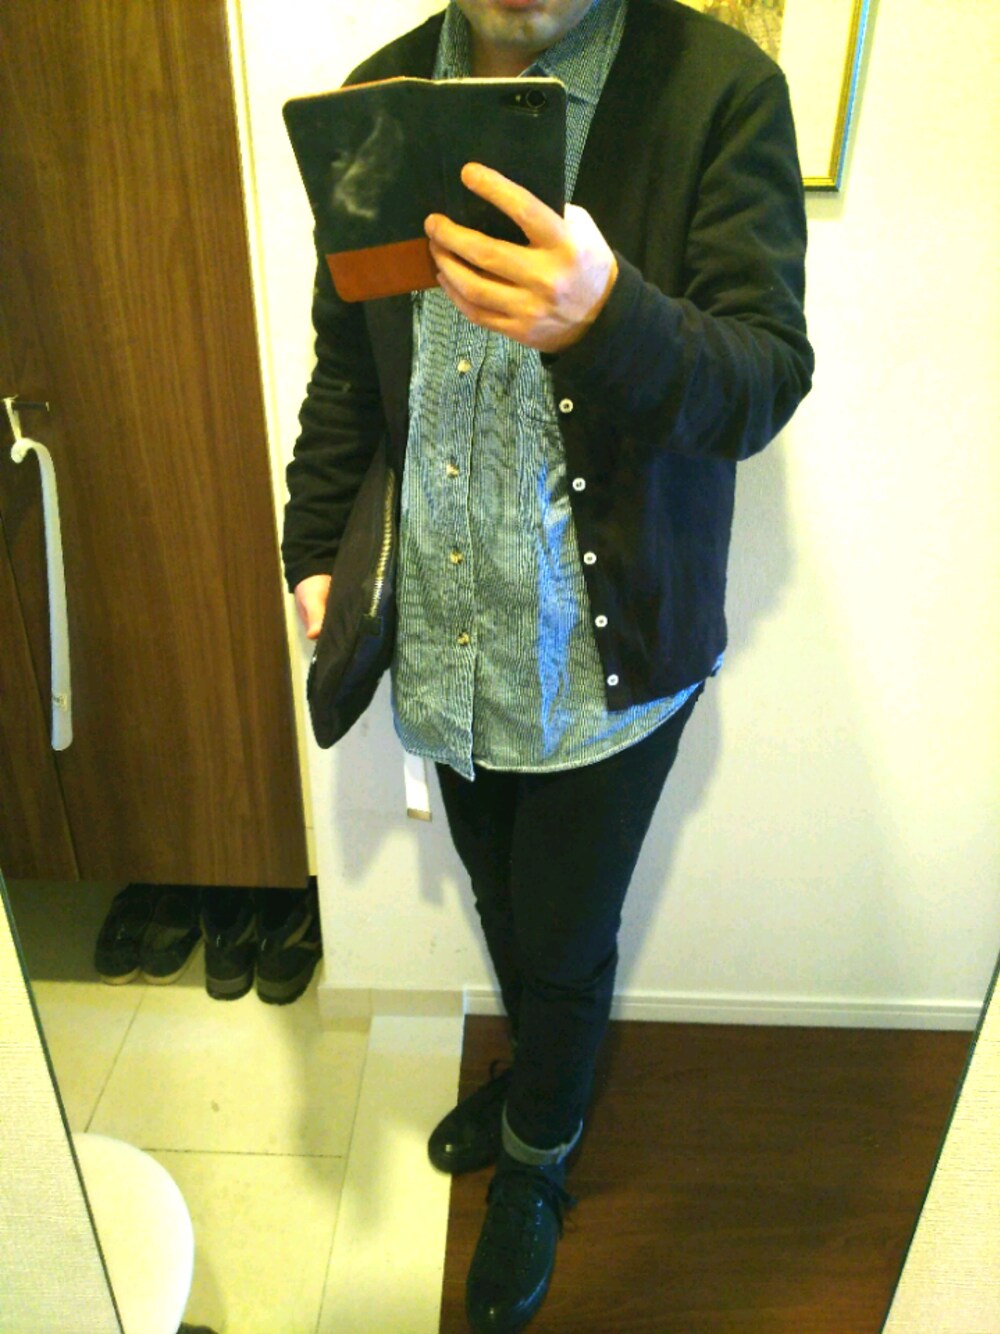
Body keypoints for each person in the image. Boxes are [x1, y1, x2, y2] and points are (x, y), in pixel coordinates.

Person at [281, 0, 814, 1328]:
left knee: (566, 939)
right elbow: (350, 365)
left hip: (601, 659)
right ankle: (538, 1078)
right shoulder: (377, 95)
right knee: (506, 905)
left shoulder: (717, 89)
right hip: (442, 634)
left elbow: (764, 376)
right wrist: (314, 540)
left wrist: (606, 315)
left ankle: (539, 1153)